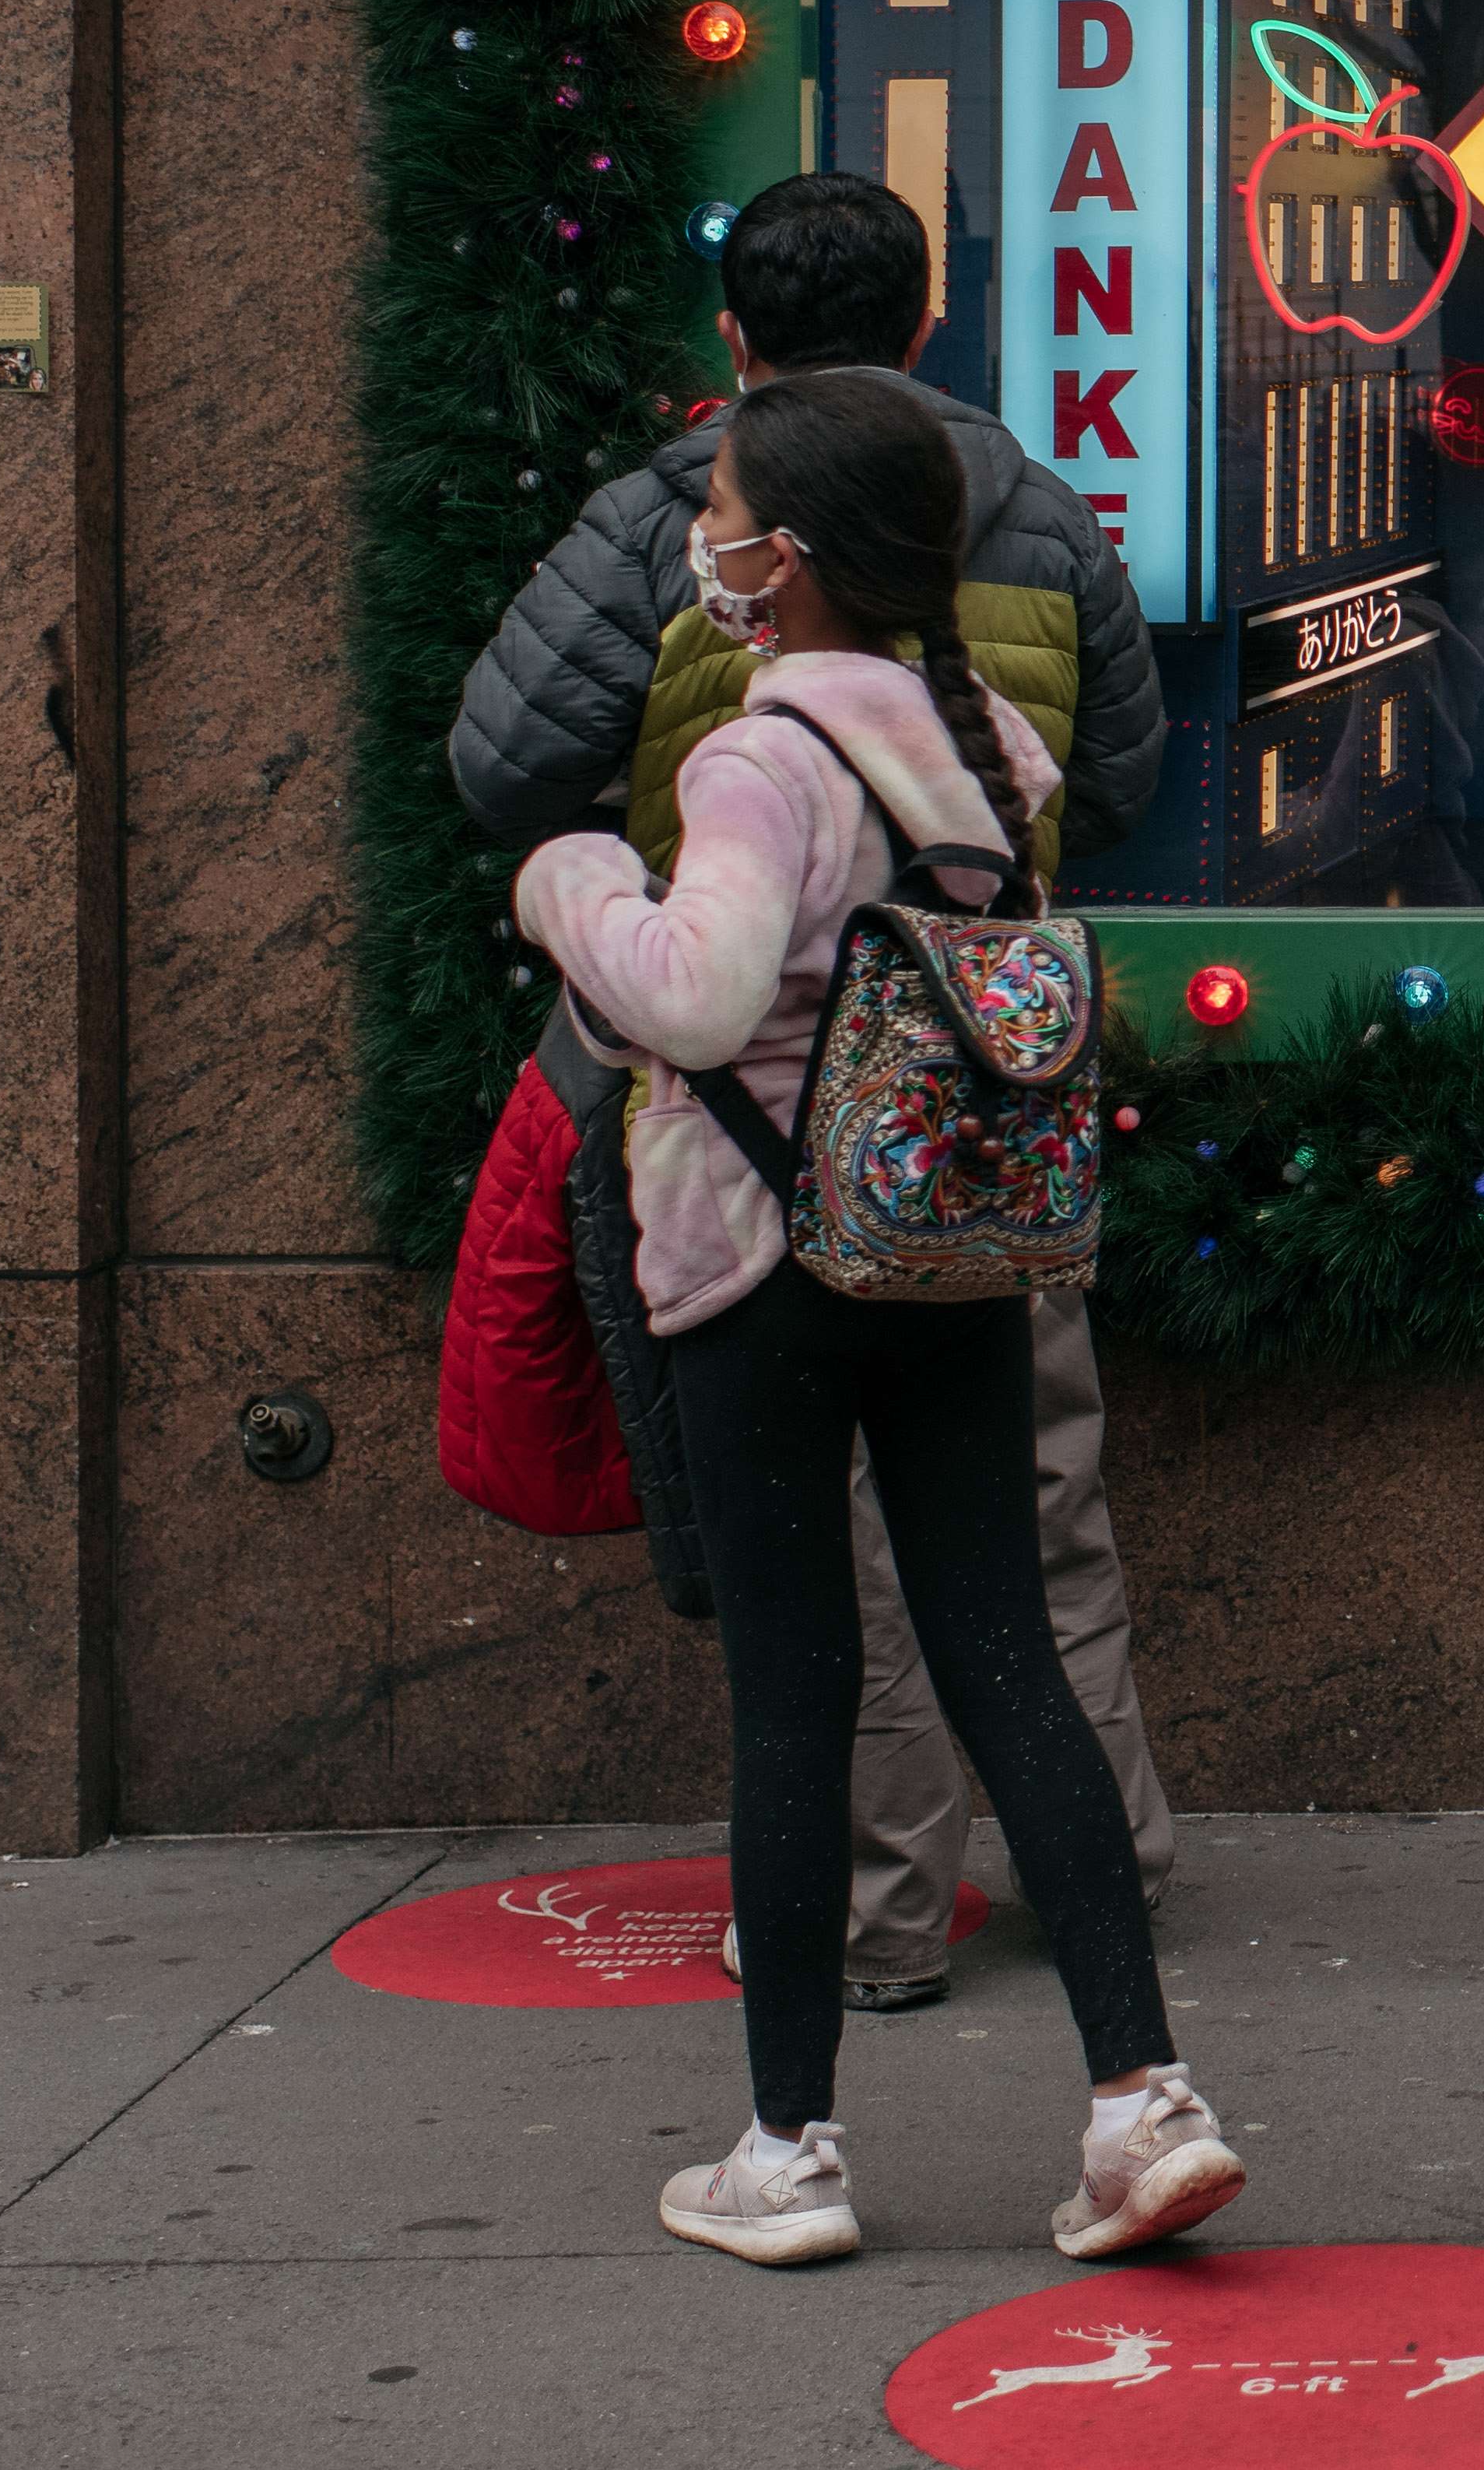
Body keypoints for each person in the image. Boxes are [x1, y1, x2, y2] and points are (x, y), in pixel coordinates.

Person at [512, 370, 1240, 2271]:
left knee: (797, 1695)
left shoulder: (761, 754)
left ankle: (788, 2150)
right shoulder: (984, 736)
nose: (711, 540)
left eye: (732, 510)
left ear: (794, 560)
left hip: (762, 1268)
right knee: (1007, 1657)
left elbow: (698, 988)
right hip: (954, 1253)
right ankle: (1139, 2102)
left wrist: (574, 878)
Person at [448, 174, 1176, 2011]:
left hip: (767, 1110)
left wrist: (592, 881)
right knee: (1043, 1501)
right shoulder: (1030, 508)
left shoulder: (671, 533)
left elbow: (503, 760)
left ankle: (871, 1913)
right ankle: (1114, 1867)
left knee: (836, 1554)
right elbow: (1137, 772)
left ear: (736, 348)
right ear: (928, 325)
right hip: (989, 1081)